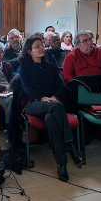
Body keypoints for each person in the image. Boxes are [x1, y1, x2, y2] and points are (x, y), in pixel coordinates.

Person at [19, 37, 83, 182]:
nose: (41, 48)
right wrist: (43, 98)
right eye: (37, 46)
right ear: (29, 51)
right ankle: (70, 144)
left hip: (52, 103)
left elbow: (60, 86)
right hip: (34, 103)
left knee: (51, 120)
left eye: (42, 45)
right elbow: (27, 88)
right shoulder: (24, 67)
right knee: (57, 106)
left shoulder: (51, 67)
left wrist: (54, 96)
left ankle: (62, 166)